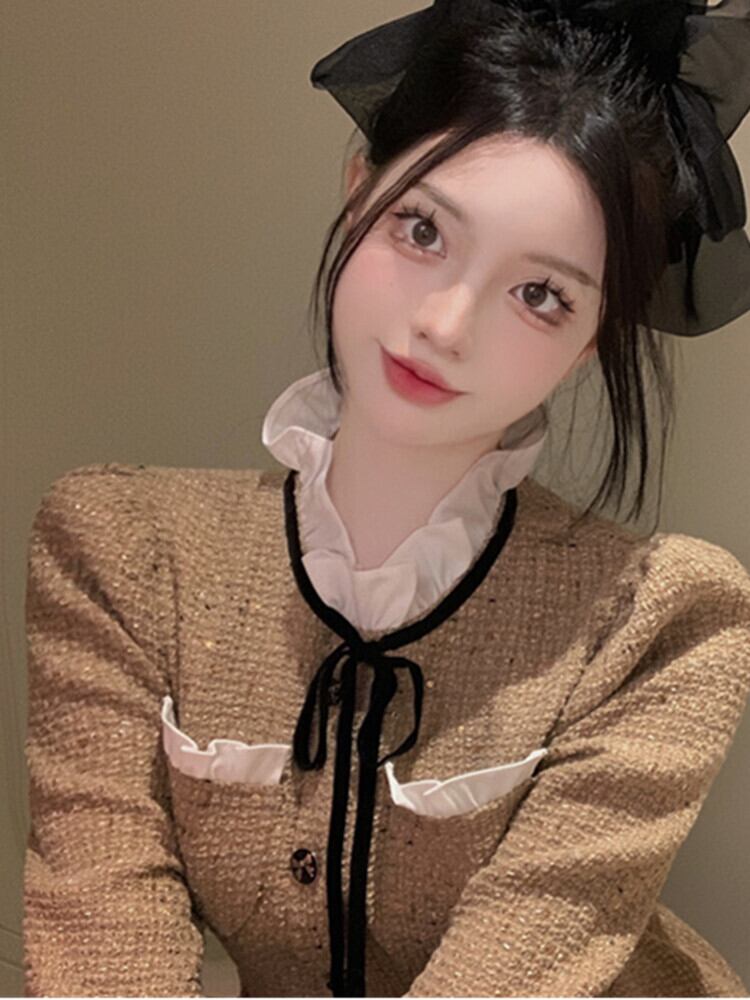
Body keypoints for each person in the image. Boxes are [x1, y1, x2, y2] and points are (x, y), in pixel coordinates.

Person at [22, 1, 750, 996]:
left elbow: (518, 964)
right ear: (359, 191)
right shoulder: (123, 554)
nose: (446, 324)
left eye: (541, 294)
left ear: (593, 338)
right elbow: (102, 934)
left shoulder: (660, 623)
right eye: (423, 229)